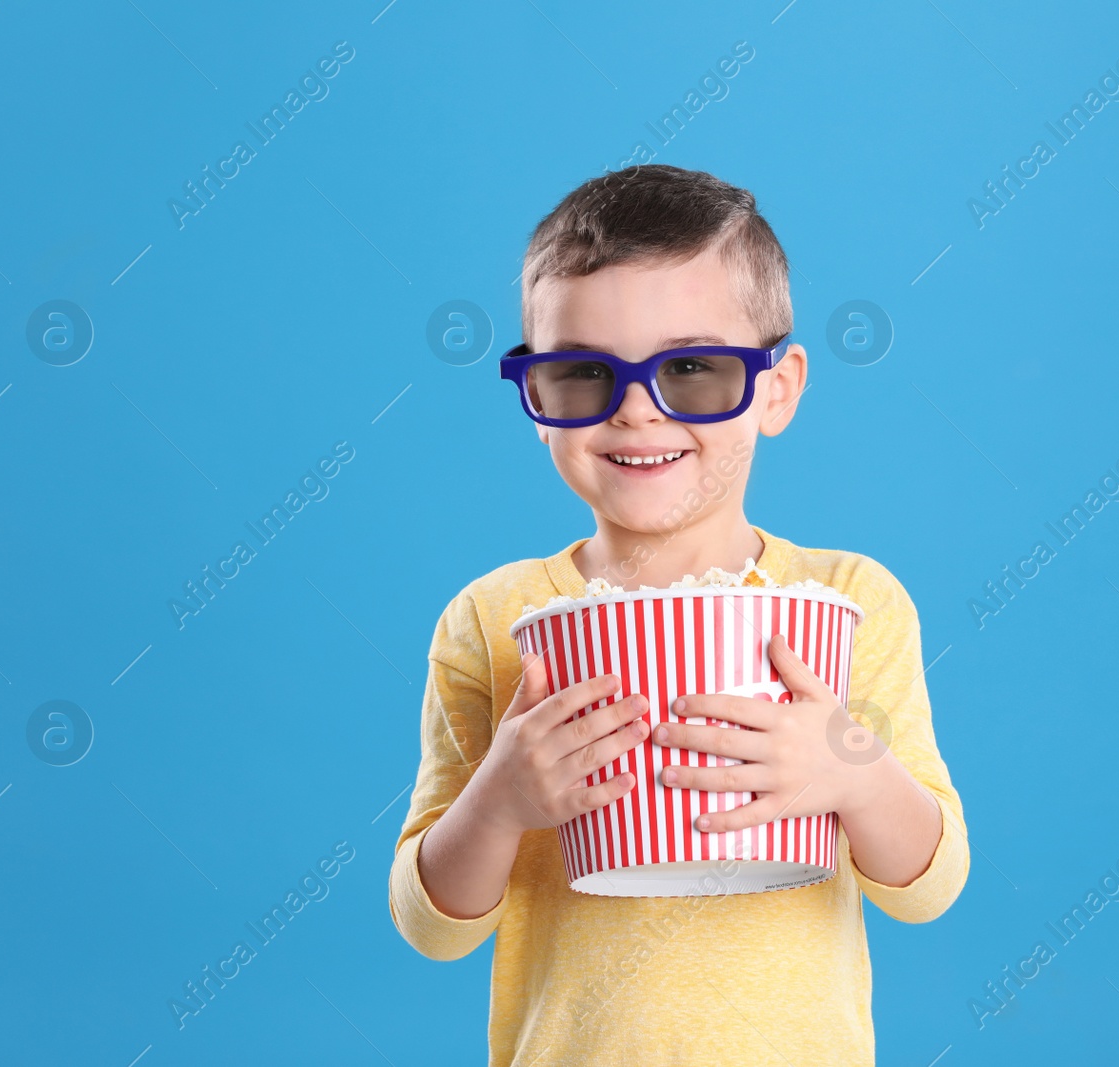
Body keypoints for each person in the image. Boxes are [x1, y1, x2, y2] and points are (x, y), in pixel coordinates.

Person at [388, 164, 970, 1065]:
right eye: (582, 373)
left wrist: (850, 766)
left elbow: (927, 885)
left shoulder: (853, 603)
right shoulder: (495, 619)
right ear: (534, 402)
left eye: (693, 369)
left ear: (777, 389)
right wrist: (499, 801)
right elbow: (433, 926)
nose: (634, 410)